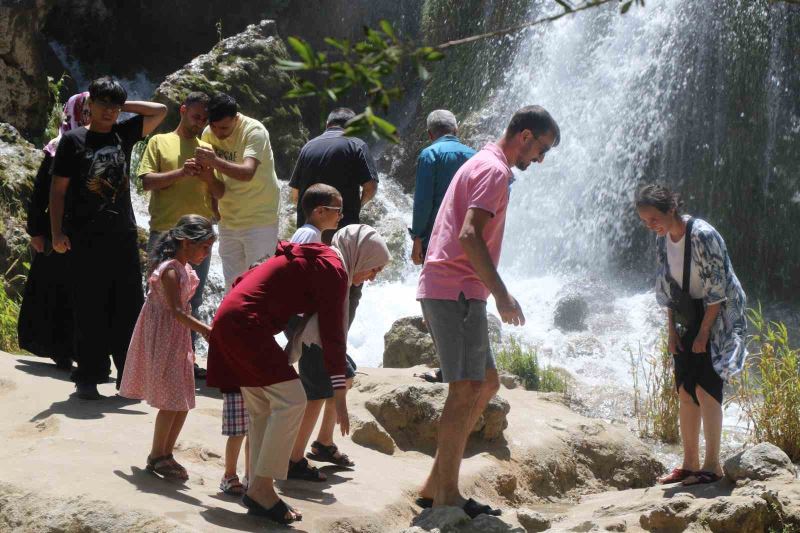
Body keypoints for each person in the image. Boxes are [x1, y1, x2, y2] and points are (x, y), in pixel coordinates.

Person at [416, 105, 560, 516]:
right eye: (541, 149)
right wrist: (502, 295)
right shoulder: (494, 171)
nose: (540, 159)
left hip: (456, 289)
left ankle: (434, 484)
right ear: (525, 136)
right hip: (456, 290)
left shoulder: (482, 160)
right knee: (464, 390)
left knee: (488, 383)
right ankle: (446, 495)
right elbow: (469, 235)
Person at [206, 225, 390, 525]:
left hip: (232, 319)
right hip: (246, 325)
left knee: (264, 409)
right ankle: (263, 489)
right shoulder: (333, 269)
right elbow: (333, 334)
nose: (373, 277)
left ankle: (256, 487)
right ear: (362, 255)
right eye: (374, 268)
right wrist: (340, 394)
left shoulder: (322, 259)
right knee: (293, 399)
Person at [50, 77, 167, 400]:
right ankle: (87, 376)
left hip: (123, 236)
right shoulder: (73, 141)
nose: (109, 112)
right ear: (89, 105)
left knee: (128, 306)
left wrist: (120, 105)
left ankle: (128, 379)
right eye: (103, 105)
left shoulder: (122, 133)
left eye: (114, 107)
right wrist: (57, 232)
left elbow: (160, 111)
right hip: (83, 237)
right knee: (88, 306)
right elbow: (58, 191)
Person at [636, 184, 747, 486]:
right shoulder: (662, 241)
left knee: (707, 387)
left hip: (718, 313)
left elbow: (719, 289)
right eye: (645, 222)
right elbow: (667, 289)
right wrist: (671, 330)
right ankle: (689, 464)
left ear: (670, 209)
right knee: (685, 388)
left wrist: (704, 333)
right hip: (687, 313)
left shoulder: (703, 235)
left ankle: (713, 466)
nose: (651, 226)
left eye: (653, 219)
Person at [119, 215, 215, 480]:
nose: (207, 253)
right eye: (204, 247)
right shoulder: (171, 270)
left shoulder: (184, 268)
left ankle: (166, 453)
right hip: (166, 337)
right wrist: (205, 330)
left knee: (183, 400)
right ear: (185, 242)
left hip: (178, 337)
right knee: (171, 400)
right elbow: (174, 311)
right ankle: (156, 454)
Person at [138, 91, 224, 379]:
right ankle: (150, 359)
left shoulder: (207, 149)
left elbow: (220, 192)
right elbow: (147, 182)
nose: (200, 123)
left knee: (193, 299)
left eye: (204, 119)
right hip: (165, 232)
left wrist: (207, 176)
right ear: (183, 110)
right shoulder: (159, 141)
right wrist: (181, 174)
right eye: (196, 116)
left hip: (199, 237)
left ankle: (187, 360)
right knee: (157, 298)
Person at [288, 107, 379, 350]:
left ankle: (308, 346)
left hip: (311, 232)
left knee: (310, 290)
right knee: (348, 288)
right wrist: (351, 209)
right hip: (344, 236)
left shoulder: (308, 147)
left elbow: (295, 193)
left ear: (328, 124)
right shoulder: (356, 143)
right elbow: (370, 186)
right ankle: (334, 348)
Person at [286, 184, 358, 480]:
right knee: (315, 393)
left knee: (346, 375)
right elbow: (296, 275)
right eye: (337, 210)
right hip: (307, 324)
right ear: (319, 211)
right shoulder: (309, 235)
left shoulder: (313, 234)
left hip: (308, 321)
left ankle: (323, 442)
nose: (341, 215)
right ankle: (294, 459)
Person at [18, 91, 90, 369]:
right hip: (57, 229)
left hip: (86, 230)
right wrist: (37, 231)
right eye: (85, 112)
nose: (88, 117)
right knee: (57, 290)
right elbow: (40, 193)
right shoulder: (57, 147)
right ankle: (60, 349)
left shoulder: (98, 144)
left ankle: (79, 349)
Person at [197, 93, 281, 289]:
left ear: (236, 118)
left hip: (260, 220)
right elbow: (212, 179)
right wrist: (214, 209)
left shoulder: (254, 131)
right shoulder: (208, 133)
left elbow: (247, 173)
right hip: (228, 220)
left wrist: (214, 160)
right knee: (232, 286)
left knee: (259, 285)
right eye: (214, 127)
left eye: (224, 128)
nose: (218, 133)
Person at [410, 110, 476, 265]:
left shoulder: (429, 155)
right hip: (469, 240)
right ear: (456, 129)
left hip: (437, 241)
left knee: (437, 287)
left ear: (430, 134)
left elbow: (423, 202)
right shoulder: (475, 156)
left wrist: (417, 238)